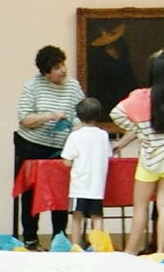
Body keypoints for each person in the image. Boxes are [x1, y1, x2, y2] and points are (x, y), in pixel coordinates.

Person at [113, 51, 164, 256]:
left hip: (150, 157)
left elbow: (116, 113)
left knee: (140, 207)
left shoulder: (141, 96)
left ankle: (130, 251)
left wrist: (140, 131)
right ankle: (162, 252)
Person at [13, 44, 79, 245]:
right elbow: (24, 119)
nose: (63, 70)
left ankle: (59, 238)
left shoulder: (73, 86)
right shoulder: (32, 86)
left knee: (59, 194)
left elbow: (80, 114)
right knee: (31, 194)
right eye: (57, 68)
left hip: (60, 148)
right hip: (32, 146)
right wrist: (49, 116)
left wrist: (75, 129)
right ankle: (30, 238)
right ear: (45, 72)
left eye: (63, 65)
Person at [61, 97, 116, 249]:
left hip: (79, 185)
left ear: (79, 116)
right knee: (97, 217)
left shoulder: (75, 136)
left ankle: (76, 247)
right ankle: (98, 248)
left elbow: (66, 161)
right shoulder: (103, 135)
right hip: (97, 186)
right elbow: (108, 155)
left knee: (77, 217)